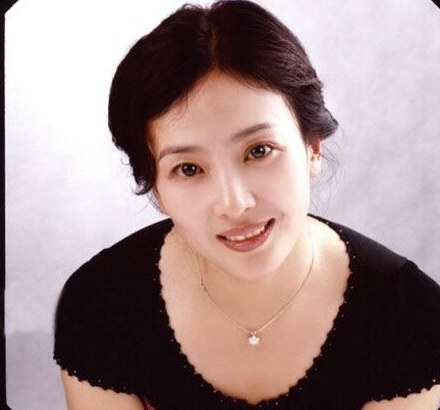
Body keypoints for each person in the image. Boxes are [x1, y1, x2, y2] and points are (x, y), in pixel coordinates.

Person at [53, 1, 440, 409]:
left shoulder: (411, 318)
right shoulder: (100, 304)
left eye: (259, 150)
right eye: (188, 169)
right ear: (157, 190)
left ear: (312, 148)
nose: (234, 204)